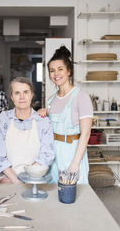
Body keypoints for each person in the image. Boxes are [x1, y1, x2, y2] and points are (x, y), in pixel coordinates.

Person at [38, 46, 93, 184]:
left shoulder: (81, 96)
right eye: (52, 70)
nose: (56, 73)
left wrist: (75, 164)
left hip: (72, 155)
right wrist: (42, 114)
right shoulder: (51, 100)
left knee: (73, 198)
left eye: (60, 69)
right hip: (53, 156)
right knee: (53, 197)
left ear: (69, 71)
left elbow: (85, 134)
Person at [0, 77, 55, 184]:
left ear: (32, 95)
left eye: (26, 92)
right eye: (17, 93)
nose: (22, 97)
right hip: (6, 176)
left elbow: (47, 154)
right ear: (12, 97)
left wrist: (29, 178)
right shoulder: (2, 119)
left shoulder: (43, 122)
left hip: (34, 176)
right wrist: (16, 181)